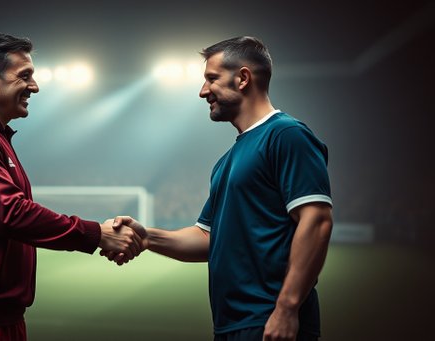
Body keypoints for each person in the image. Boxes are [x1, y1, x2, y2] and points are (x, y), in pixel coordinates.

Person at [105, 36, 333, 341]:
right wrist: (148, 238)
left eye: (211, 79)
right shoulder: (227, 161)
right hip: (232, 324)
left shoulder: (287, 135)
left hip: (270, 320)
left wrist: (287, 308)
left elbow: (316, 221)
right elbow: (208, 238)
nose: (202, 91)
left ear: (242, 78)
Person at [0, 32, 146, 341]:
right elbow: (12, 214)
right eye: (24, 76)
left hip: (5, 319)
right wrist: (96, 234)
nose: (35, 86)